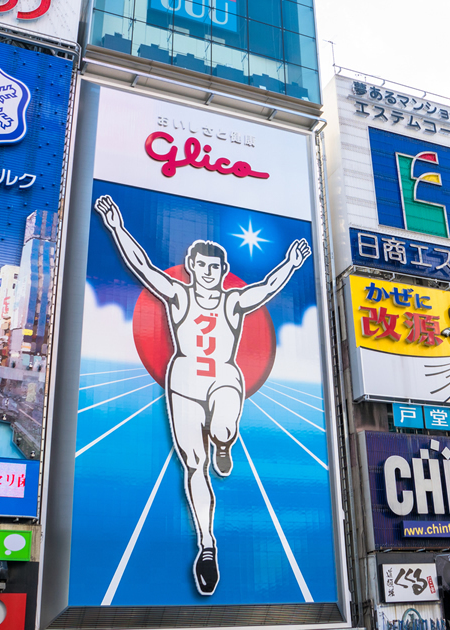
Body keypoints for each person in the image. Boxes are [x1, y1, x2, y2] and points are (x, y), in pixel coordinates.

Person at [93, 194, 310, 596]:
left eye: (215, 267)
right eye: (202, 266)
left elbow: (265, 289)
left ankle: (225, 440)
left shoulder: (232, 301)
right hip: (184, 381)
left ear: (223, 271)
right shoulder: (178, 295)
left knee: (224, 425)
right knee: (194, 464)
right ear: (192, 267)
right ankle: (207, 546)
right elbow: (141, 266)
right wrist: (115, 225)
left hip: (224, 377)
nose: (208, 272)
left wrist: (292, 264)